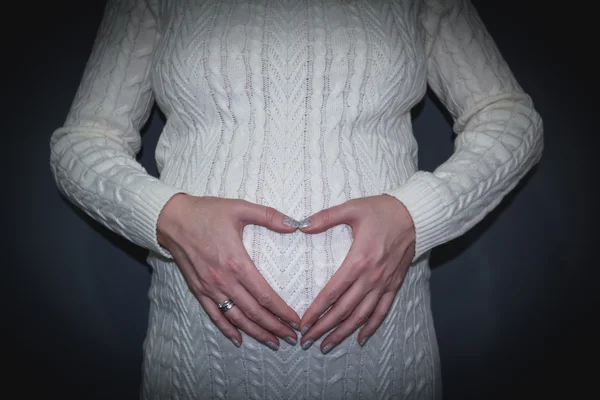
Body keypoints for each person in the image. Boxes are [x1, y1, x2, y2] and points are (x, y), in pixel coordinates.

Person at [49, 0, 543, 398]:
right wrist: (169, 218)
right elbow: (83, 142)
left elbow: (508, 118)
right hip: (200, 366)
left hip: (384, 367)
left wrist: (417, 217)